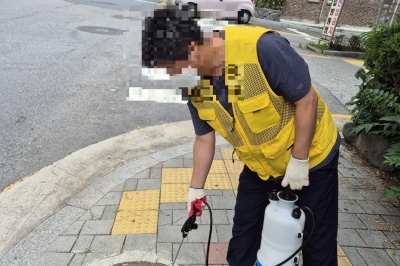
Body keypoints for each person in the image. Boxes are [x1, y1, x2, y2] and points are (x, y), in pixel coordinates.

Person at [141, 4, 341, 266]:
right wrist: (195, 188)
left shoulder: (261, 49)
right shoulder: (192, 85)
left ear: (192, 47)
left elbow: (307, 100)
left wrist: (300, 160)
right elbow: (204, 137)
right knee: (243, 239)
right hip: (261, 167)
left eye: (174, 69)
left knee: (317, 246)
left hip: (312, 159)